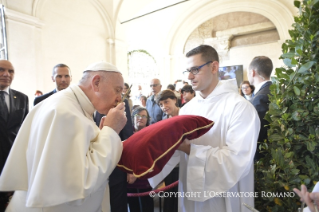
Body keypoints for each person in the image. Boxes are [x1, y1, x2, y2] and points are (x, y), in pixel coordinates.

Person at [0, 61, 127, 212]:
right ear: (96, 82)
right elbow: (77, 183)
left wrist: (101, 135)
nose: (119, 98)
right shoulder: (63, 112)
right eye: (117, 90)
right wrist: (110, 132)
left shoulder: (71, 104)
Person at [148, 45, 260, 212]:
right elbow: (175, 151)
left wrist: (190, 149)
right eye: (187, 71)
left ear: (214, 67)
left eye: (195, 69)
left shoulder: (239, 107)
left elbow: (237, 159)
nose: (189, 76)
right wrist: (146, 172)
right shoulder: (187, 109)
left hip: (224, 198)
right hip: (189, 193)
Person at [94, 98, 133, 212]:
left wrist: (130, 169)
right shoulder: (88, 103)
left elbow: (127, 137)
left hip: (117, 164)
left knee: (118, 203)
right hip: (95, 164)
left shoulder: (120, 103)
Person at [0, 60, 29, 211]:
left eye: (10, 71)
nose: (6, 74)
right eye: (1, 70)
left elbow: (26, 129)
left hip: (14, 158)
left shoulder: (22, 98)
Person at [155, 90, 179, 212]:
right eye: (161, 104)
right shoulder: (164, 121)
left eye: (166, 102)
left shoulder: (185, 114)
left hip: (185, 163)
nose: (164, 107)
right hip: (169, 166)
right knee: (170, 198)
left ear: (174, 100)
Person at [127, 107, 154, 212]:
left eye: (144, 116)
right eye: (138, 116)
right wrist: (130, 172)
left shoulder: (151, 134)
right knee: (133, 206)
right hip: (129, 175)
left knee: (146, 205)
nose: (140, 119)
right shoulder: (127, 133)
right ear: (133, 117)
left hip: (145, 175)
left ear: (147, 119)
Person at [247, 56, 273, 161]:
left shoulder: (260, 97)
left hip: (262, 157)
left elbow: (259, 133)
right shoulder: (272, 90)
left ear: (252, 72)